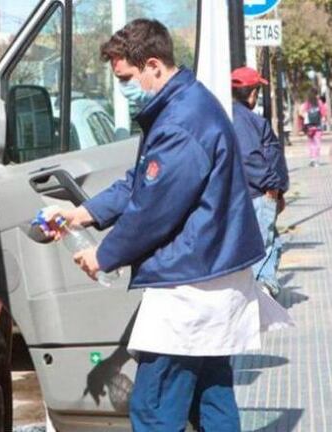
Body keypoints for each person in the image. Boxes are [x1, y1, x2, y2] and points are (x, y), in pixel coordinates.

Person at [42, 19, 291, 431]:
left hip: (189, 283)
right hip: (211, 275)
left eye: (126, 77)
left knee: (155, 406)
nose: (124, 87)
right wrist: (81, 214)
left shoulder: (179, 122)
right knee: (212, 399)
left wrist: (103, 255)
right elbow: (141, 182)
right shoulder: (185, 106)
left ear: (153, 65)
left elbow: (153, 208)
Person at [231, 67, 290, 299]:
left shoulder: (234, 117)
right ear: (252, 93)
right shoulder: (245, 120)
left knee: (271, 243)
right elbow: (250, 157)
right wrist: (272, 188)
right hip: (260, 194)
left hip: (258, 193)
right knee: (263, 246)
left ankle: (263, 289)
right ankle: (260, 293)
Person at [301, 88, 325, 167]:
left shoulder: (307, 103)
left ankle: (312, 159)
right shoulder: (319, 103)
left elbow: (303, 113)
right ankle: (316, 159)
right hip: (318, 126)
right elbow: (323, 113)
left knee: (311, 143)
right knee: (317, 143)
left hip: (309, 127)